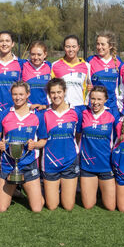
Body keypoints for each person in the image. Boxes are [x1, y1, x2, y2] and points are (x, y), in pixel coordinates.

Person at [0, 81, 47, 212]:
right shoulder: (3, 114)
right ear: (11, 95)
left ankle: (36, 195)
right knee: (1, 208)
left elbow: (43, 140)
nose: (18, 97)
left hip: (29, 163)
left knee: (37, 208)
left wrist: (35, 145)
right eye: (15, 94)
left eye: (21, 94)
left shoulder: (37, 115)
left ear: (28, 94)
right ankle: (15, 191)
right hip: (8, 163)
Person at [39, 78, 80, 211]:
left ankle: (64, 187)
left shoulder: (75, 112)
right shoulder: (44, 114)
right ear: (49, 94)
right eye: (53, 93)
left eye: (59, 92)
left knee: (68, 206)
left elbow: (78, 135)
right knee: (51, 206)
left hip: (70, 161)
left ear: (64, 92)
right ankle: (44, 186)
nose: (56, 95)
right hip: (50, 162)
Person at [77, 86, 117, 210]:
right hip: (87, 165)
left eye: (99, 99)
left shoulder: (112, 115)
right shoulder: (83, 113)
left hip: (106, 164)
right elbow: (78, 135)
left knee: (110, 207)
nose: (95, 102)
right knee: (88, 205)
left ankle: (101, 189)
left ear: (105, 100)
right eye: (93, 98)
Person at [0, 31, 23, 115]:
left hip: (15, 110)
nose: (4, 44)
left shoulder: (21, 63)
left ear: (12, 44)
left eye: (7, 41)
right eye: (1, 41)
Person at [51, 34, 91, 108]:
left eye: (74, 46)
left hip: (80, 107)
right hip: (61, 107)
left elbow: (90, 87)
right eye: (68, 46)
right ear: (64, 47)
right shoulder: (55, 65)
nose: (71, 50)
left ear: (78, 47)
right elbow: (50, 88)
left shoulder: (86, 66)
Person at [87, 31, 122, 114]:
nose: (99, 47)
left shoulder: (118, 62)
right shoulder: (90, 60)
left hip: (113, 105)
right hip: (95, 105)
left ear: (110, 46)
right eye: (98, 44)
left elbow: (122, 84)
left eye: (103, 44)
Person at [21, 40, 51, 110]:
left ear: (45, 54)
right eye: (33, 54)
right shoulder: (23, 64)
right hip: (27, 109)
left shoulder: (50, 66)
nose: (36, 57)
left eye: (39, 54)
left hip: (44, 109)